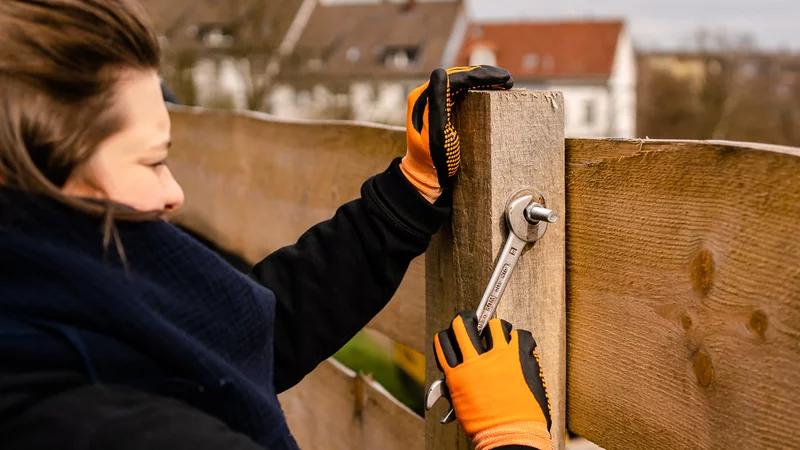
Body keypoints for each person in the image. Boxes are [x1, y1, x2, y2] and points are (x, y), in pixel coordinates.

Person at [0, 1, 552, 450]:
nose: (175, 193)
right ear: (43, 181)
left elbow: (249, 335)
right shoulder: (96, 424)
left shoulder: (53, 314)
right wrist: (513, 440)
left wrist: (408, 195)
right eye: (152, 161)